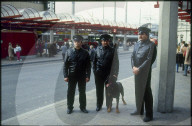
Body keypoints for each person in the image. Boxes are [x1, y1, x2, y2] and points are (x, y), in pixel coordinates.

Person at [131, 27, 156, 122]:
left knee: (146, 93)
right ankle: (139, 110)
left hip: (145, 72)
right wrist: (133, 67)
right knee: (138, 91)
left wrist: (139, 68)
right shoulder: (137, 44)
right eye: (139, 34)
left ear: (147, 35)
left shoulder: (151, 45)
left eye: (142, 34)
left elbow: (149, 60)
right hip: (136, 71)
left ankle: (149, 114)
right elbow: (132, 56)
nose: (140, 35)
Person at [63, 35, 91, 114]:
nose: (77, 43)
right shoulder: (69, 52)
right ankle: (70, 107)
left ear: (81, 42)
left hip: (82, 76)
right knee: (70, 92)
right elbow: (65, 65)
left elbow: (88, 66)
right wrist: (65, 76)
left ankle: (83, 107)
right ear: (73, 42)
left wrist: (88, 76)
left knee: (82, 92)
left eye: (78, 42)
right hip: (72, 76)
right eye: (75, 42)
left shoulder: (85, 53)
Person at [93, 34, 119, 112]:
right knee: (99, 90)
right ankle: (99, 105)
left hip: (109, 74)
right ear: (101, 41)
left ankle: (109, 105)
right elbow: (94, 61)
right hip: (98, 74)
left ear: (109, 41)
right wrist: (95, 71)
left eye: (107, 41)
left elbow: (116, 63)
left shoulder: (113, 50)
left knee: (109, 90)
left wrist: (115, 73)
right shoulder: (97, 49)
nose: (105, 42)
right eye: (104, 41)